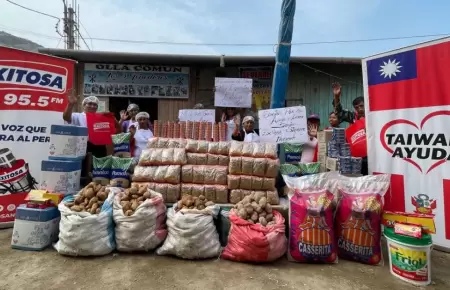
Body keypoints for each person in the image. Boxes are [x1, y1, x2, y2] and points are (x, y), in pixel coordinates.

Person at [332, 82, 368, 175]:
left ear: (367, 105)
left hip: (372, 155)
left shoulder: (373, 116)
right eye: (357, 107)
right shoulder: (353, 117)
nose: (359, 109)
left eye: (361, 106)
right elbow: (339, 112)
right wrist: (336, 97)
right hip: (357, 158)